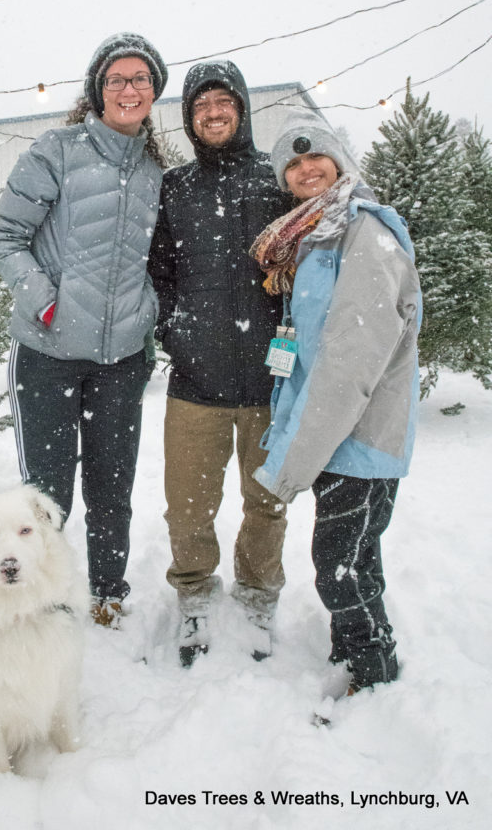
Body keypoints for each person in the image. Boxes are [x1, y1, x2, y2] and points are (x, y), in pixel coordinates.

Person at [0, 32, 168, 628]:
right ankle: (44, 599)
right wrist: (46, 305)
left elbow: (159, 259)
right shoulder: (57, 150)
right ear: (97, 89)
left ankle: (108, 592)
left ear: (153, 92)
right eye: (116, 78)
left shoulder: (153, 169)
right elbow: (5, 237)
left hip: (121, 360)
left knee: (111, 486)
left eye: (140, 78)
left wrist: (146, 321)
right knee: (46, 494)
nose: (128, 88)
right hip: (49, 352)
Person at [251, 123, 421, 693]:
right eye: (291, 167)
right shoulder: (318, 234)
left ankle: (373, 670)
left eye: (315, 157)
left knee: (339, 566)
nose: (304, 170)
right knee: (354, 556)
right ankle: (352, 654)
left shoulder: (364, 230)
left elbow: (353, 355)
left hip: (359, 431)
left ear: (340, 160)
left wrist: (299, 454)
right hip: (338, 432)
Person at [148, 60, 290, 667]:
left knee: (266, 500)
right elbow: (158, 274)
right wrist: (174, 332)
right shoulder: (174, 188)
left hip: (268, 380)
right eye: (200, 104)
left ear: (242, 109)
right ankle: (195, 593)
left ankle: (258, 594)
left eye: (222, 100)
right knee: (188, 502)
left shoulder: (277, 182)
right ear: (189, 117)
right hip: (195, 380)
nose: (213, 111)